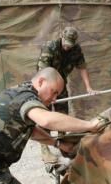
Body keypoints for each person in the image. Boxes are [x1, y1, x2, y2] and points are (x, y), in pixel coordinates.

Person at [37, 26, 97, 163]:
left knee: (62, 114)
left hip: (60, 84)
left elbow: (82, 67)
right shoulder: (50, 47)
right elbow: (43, 73)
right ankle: (45, 150)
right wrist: (48, 95)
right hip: (45, 85)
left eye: (70, 45)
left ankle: (62, 144)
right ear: (61, 37)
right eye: (65, 43)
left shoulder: (75, 49)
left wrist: (89, 87)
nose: (67, 47)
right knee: (45, 117)